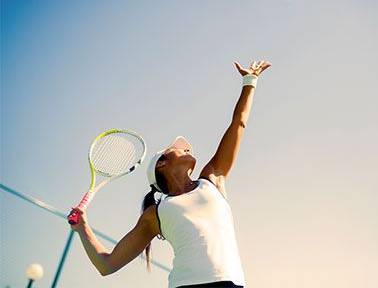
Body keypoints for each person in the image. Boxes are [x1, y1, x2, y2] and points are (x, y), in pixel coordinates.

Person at [68, 60, 272, 288]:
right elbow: (106, 265)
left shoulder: (212, 179)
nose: (187, 148)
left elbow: (238, 124)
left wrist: (249, 82)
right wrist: (82, 228)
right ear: (161, 165)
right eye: (177, 147)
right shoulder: (155, 214)